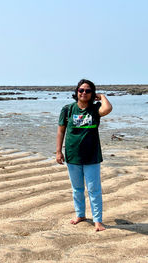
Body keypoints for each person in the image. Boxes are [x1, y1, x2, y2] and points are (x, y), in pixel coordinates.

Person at [56, 79, 112, 232]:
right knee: (77, 189)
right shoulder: (67, 109)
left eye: (88, 91)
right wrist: (58, 151)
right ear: (76, 92)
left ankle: (98, 221)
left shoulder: (95, 109)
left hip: (92, 156)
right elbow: (61, 131)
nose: (84, 93)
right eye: (81, 90)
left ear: (92, 94)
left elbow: (107, 109)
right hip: (73, 155)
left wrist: (101, 96)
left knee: (94, 189)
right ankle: (80, 215)